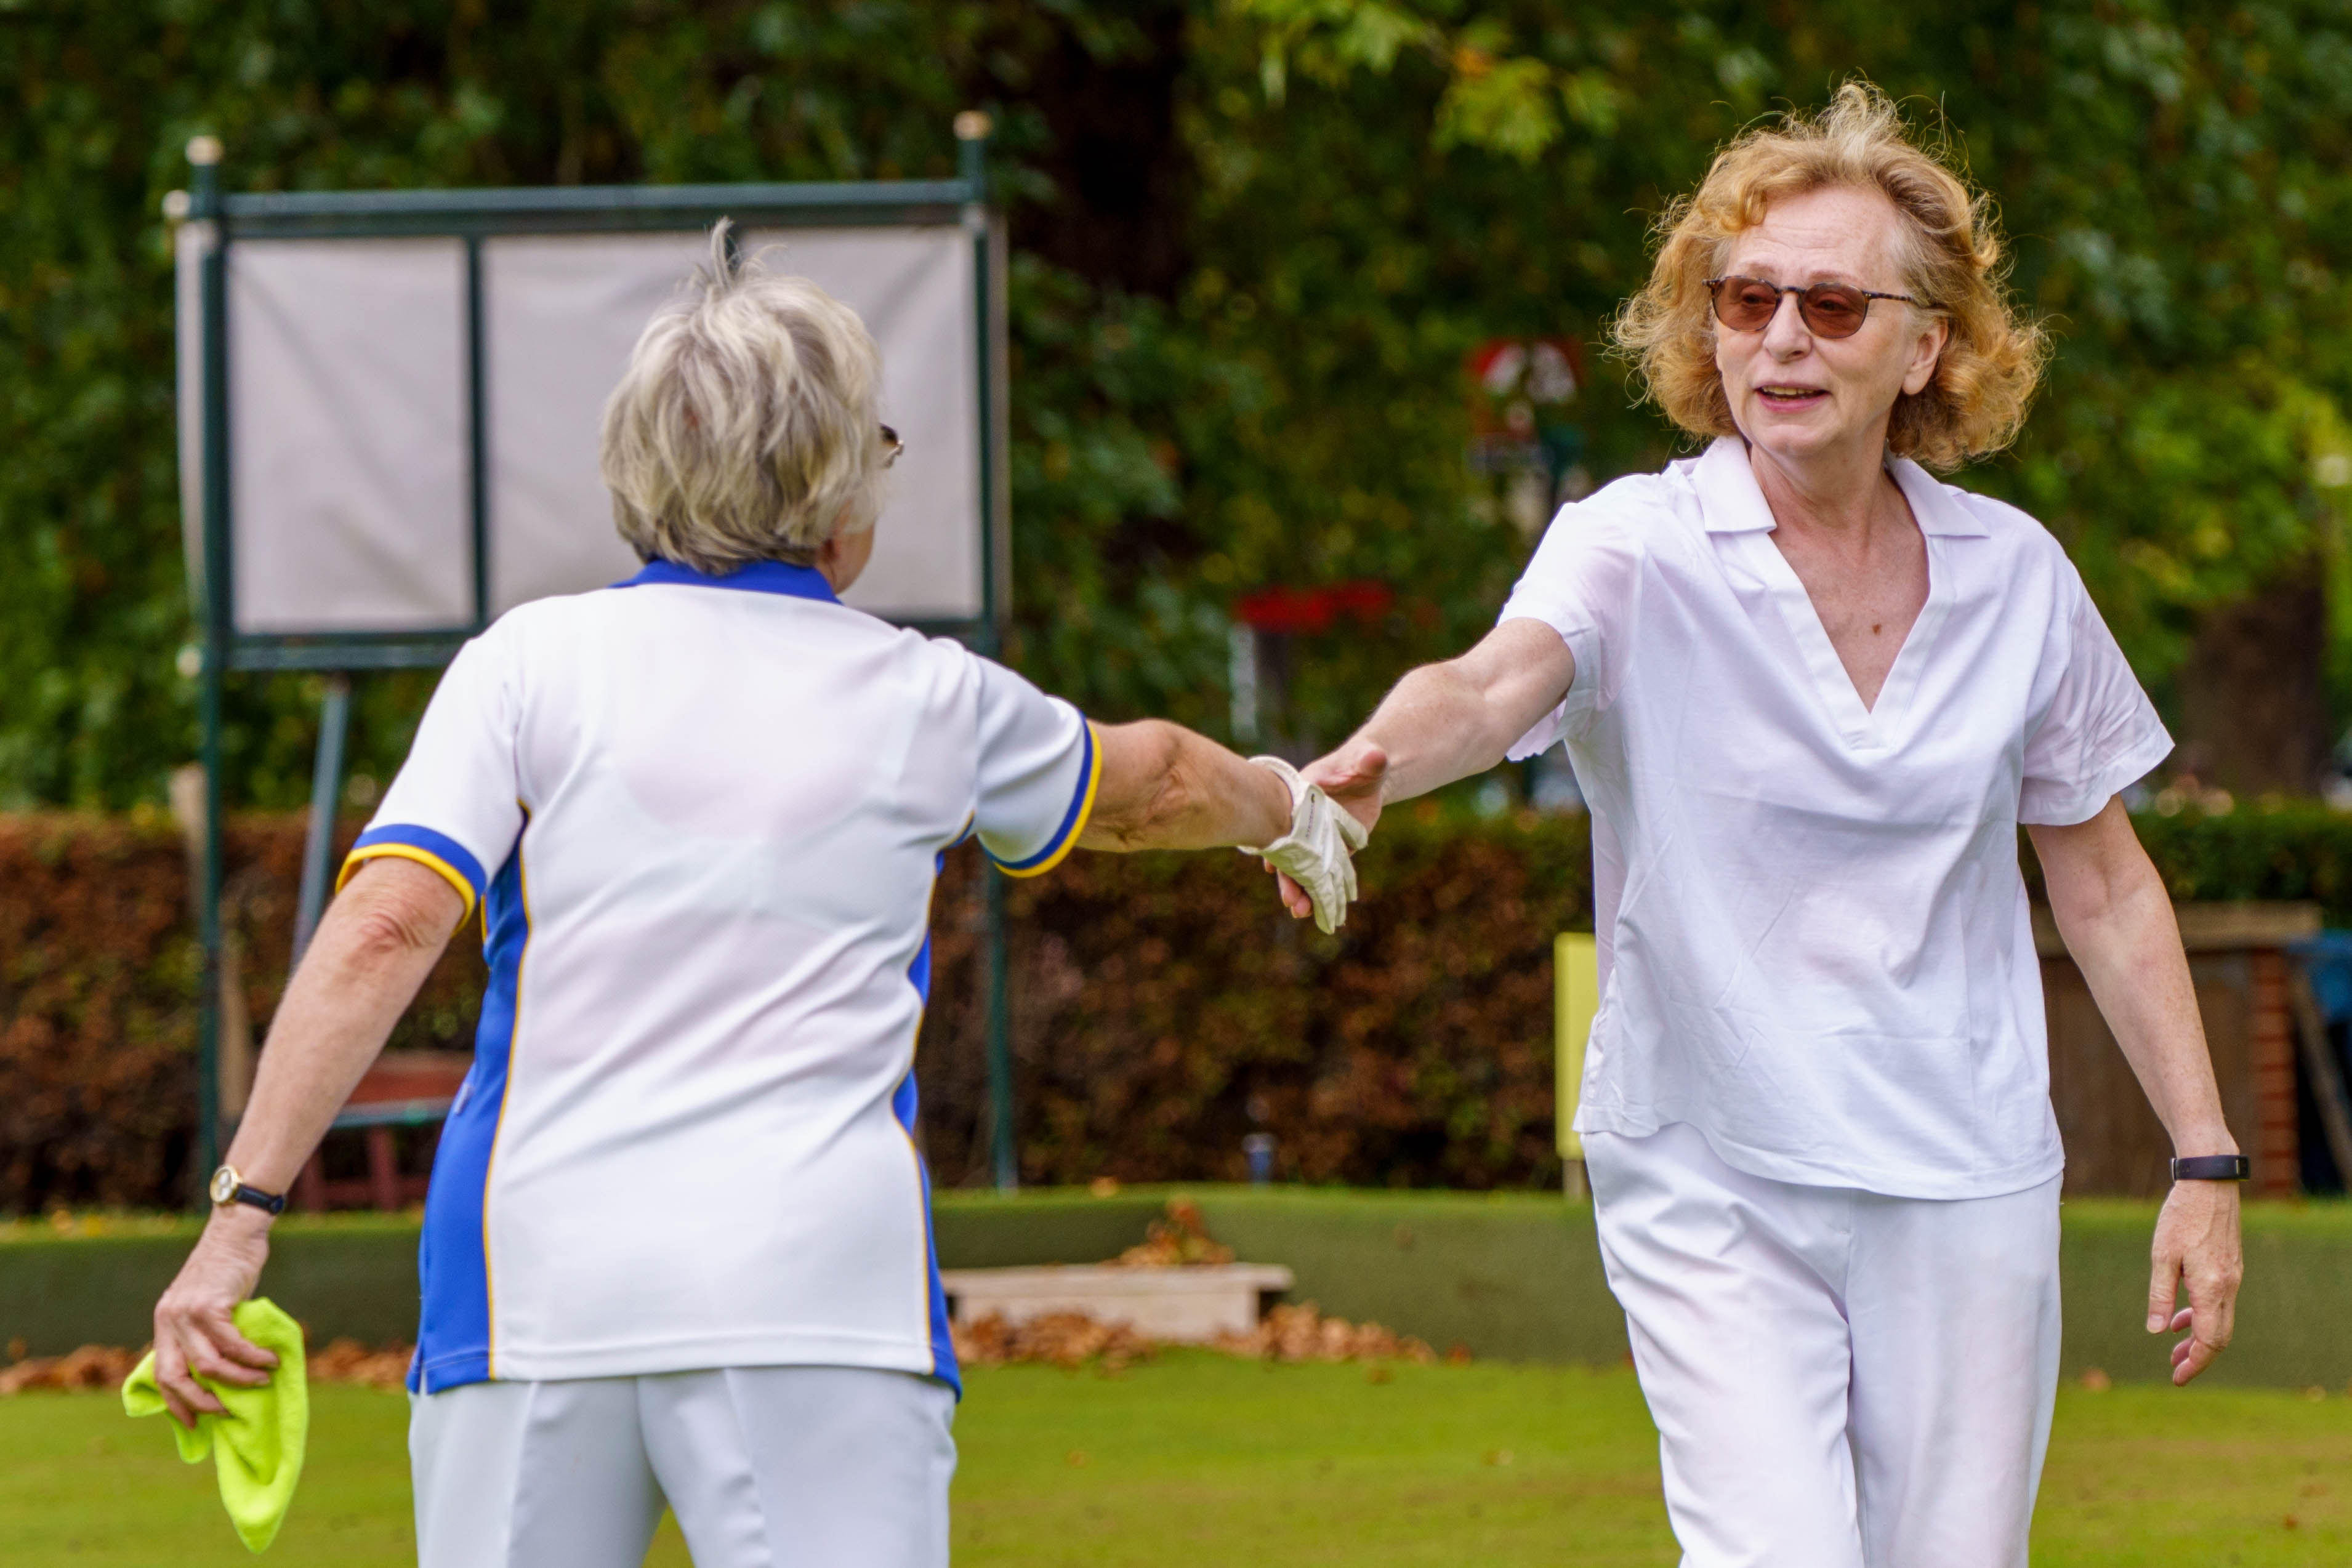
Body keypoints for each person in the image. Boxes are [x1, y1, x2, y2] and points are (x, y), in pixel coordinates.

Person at [148, 227, 1363, 1568]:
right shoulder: (925, 693)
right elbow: (1162, 781)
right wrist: (1292, 805)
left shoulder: (523, 665)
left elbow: (385, 923)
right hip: (816, 1291)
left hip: (530, 1286)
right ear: (840, 485)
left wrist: (238, 1218)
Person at [1275, 83, 2245, 1567]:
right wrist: (1368, 765)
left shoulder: (2018, 575)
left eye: (1834, 304)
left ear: (1927, 344)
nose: (1780, 337)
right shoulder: (1631, 544)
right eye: (1744, 298)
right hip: (1704, 1159)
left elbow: (2104, 885)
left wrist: (2202, 1158)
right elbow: (1486, 684)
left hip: (1962, 1165)